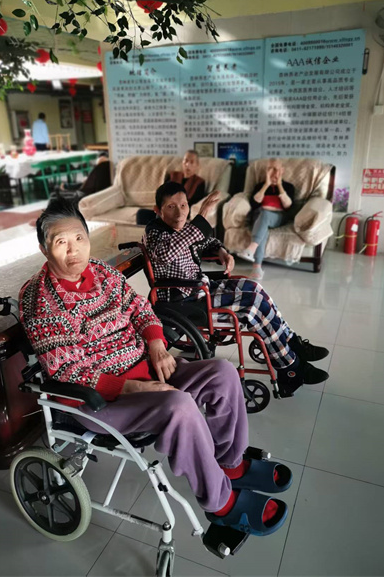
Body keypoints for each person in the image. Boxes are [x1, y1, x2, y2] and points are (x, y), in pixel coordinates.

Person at [19, 197, 293, 537]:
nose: (73, 249)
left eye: (79, 238)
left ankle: (230, 464)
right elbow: (65, 370)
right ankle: (220, 504)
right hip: (100, 401)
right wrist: (131, 387)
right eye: (61, 242)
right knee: (179, 406)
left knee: (222, 373)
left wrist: (157, 345)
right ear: (45, 249)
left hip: (145, 367)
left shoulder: (103, 272)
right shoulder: (39, 299)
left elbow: (140, 308)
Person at [143, 181, 330, 399]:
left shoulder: (183, 228)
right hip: (183, 300)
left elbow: (206, 240)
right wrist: (202, 215)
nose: (179, 213)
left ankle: (292, 343)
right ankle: (290, 368)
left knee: (254, 287)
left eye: (183, 205)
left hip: (199, 289)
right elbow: (169, 251)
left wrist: (222, 251)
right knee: (253, 305)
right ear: (158, 210)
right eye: (171, 207)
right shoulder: (155, 233)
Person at [237, 159, 296, 280]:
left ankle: (252, 248)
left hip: (278, 216)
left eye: (276, 169)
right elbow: (254, 203)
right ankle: (257, 268)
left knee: (265, 215)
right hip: (260, 216)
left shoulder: (288, 187)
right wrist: (266, 185)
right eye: (270, 169)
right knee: (263, 227)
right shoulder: (259, 186)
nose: (273, 172)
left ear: (282, 171)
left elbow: (288, 206)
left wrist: (279, 185)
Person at [136, 150, 206, 225]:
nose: (187, 164)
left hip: (180, 213)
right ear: (182, 162)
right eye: (186, 161)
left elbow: (193, 204)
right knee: (141, 214)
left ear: (197, 165)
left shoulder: (199, 182)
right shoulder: (173, 176)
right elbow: (162, 194)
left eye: (191, 162)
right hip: (165, 209)